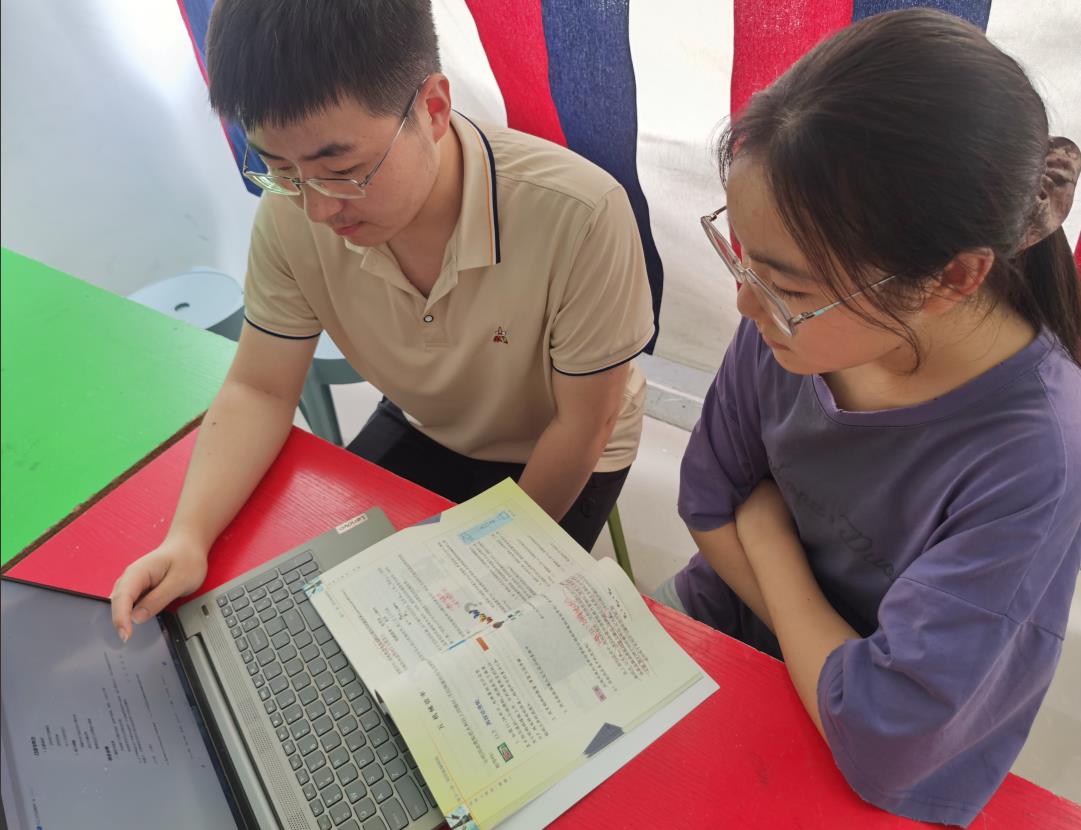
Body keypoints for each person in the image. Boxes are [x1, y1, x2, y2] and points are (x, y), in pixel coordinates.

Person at [653, 9, 1081, 826]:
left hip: (865, 767)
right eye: (742, 259)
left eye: (787, 285)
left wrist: (769, 539)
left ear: (952, 277)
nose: (745, 304)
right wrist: (834, 668)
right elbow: (706, 507)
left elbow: (888, 738)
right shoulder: (787, 329)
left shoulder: (1036, 456)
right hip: (726, 629)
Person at [111, 1, 653, 640]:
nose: (317, 210)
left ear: (433, 108)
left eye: (342, 171)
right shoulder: (290, 213)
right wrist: (187, 537)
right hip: (427, 420)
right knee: (320, 608)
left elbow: (583, 424)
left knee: (465, 640)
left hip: (559, 444)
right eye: (280, 169)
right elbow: (259, 388)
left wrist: (491, 569)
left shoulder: (580, 213)